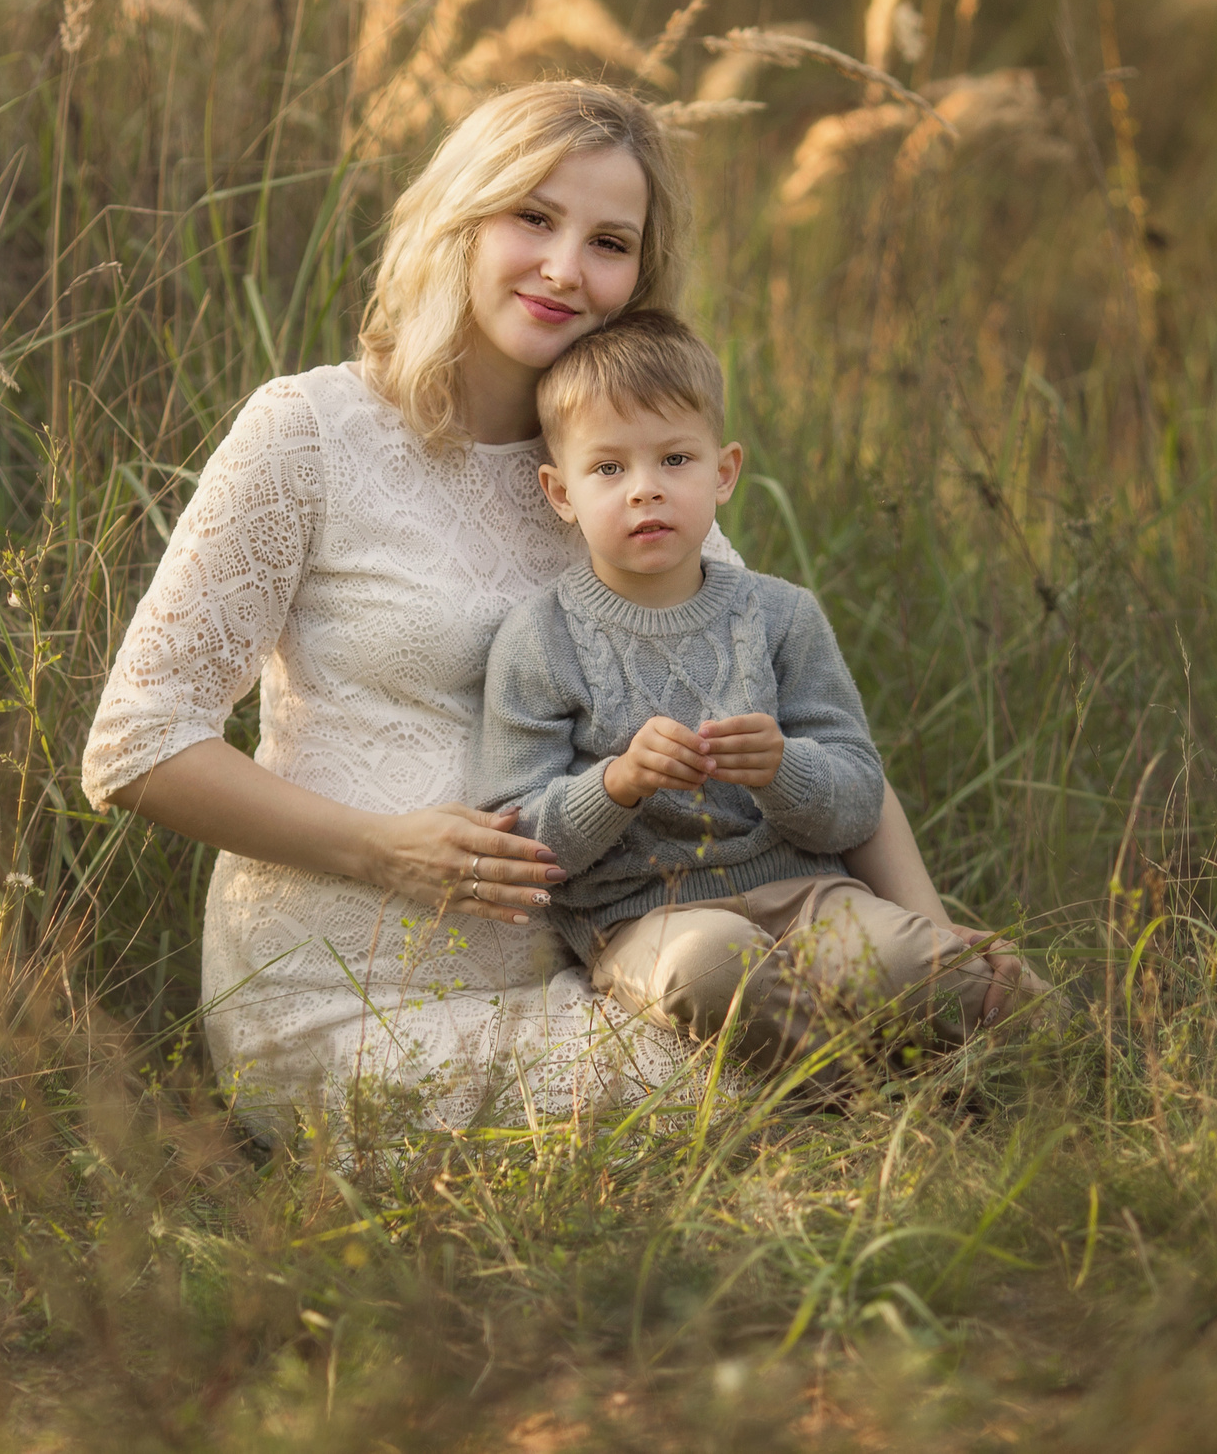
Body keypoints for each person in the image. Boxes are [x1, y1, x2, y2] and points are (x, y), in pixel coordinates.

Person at [81, 81, 1028, 1142]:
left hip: (615, 965)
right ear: (461, 217)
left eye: (609, 241)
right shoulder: (310, 435)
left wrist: (933, 952)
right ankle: (885, 1096)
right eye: (533, 217)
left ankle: (938, 1067)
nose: (565, 269)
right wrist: (377, 848)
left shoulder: (625, 461)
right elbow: (136, 743)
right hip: (347, 998)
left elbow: (805, 721)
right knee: (735, 1082)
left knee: (932, 997)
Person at [473, 311, 1014, 1080]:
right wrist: (618, 782)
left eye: (675, 458)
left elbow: (859, 795)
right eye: (609, 469)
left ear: (723, 472)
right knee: (713, 968)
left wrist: (782, 766)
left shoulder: (781, 614)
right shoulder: (540, 638)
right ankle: (863, 1095)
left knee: (908, 964)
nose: (645, 490)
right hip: (644, 918)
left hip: (807, 893)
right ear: (560, 492)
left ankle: (1020, 1051)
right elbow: (520, 841)